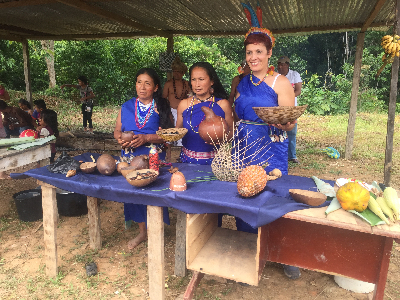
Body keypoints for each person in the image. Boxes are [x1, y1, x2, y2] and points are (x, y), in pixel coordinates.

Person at [235, 6, 299, 278]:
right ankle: (249, 247)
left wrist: (284, 123)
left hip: (272, 142)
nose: (253, 57)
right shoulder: (240, 82)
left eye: (259, 51)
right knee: (245, 192)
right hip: (244, 143)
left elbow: (290, 121)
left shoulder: (280, 82)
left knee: (273, 194)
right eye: (249, 52)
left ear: (269, 53)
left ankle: (282, 251)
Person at [114, 68, 173, 250]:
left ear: (155, 87)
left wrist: (146, 138)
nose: (142, 86)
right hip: (130, 157)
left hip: (153, 157)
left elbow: (170, 135)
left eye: (147, 83)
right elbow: (117, 130)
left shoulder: (162, 107)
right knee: (133, 193)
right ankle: (142, 232)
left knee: (153, 193)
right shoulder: (127, 106)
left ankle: (156, 228)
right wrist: (120, 139)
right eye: (139, 82)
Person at [175, 62, 234, 165]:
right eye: (193, 79)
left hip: (217, 163)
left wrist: (222, 140)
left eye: (201, 79)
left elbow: (232, 132)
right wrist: (165, 135)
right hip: (187, 162)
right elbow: (177, 131)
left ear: (211, 81)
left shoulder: (223, 104)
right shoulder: (184, 105)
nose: (197, 84)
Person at [277, 55, 302, 164]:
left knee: (291, 131)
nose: (280, 67)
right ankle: (279, 154)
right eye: (279, 64)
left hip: (291, 107)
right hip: (277, 107)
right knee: (277, 130)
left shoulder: (294, 75)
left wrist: (288, 98)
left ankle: (292, 155)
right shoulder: (275, 76)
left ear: (287, 65)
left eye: (283, 64)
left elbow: (298, 90)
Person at [162, 56, 190, 146]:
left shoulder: (186, 84)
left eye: (178, 72)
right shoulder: (168, 84)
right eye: (174, 71)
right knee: (170, 135)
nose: (176, 73)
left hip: (183, 112)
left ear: (183, 73)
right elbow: (163, 99)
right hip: (171, 111)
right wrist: (167, 114)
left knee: (181, 135)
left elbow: (191, 97)